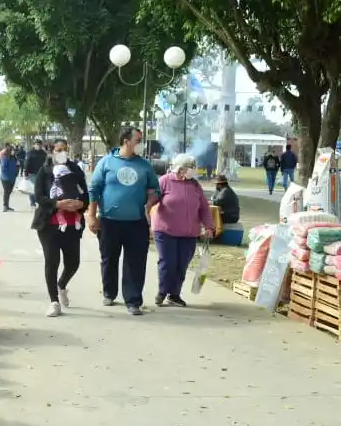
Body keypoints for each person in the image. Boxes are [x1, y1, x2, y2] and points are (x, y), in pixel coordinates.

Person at [87, 127, 159, 316]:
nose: (141, 143)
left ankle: (133, 300)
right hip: (109, 220)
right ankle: (109, 292)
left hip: (136, 221)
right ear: (126, 141)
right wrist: (92, 215)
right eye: (138, 139)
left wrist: (150, 201)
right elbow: (94, 190)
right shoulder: (107, 162)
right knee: (109, 258)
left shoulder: (144, 165)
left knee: (135, 261)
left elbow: (155, 189)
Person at [32, 139, 89, 316]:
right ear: (52, 151)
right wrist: (57, 204)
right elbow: (39, 196)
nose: (62, 152)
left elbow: (85, 194)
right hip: (49, 225)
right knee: (52, 262)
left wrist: (81, 204)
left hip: (73, 225)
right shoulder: (45, 170)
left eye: (65, 149)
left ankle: (62, 284)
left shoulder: (76, 169)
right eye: (59, 149)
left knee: (73, 262)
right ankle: (54, 301)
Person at [150, 154, 215, 307]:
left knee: (182, 264)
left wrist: (209, 226)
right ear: (180, 169)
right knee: (167, 262)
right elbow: (151, 202)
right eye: (190, 167)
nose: (193, 170)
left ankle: (174, 294)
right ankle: (162, 291)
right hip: (165, 231)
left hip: (189, 233)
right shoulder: (164, 181)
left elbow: (204, 208)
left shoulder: (195, 185)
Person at [23, 140, 47, 208]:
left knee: (40, 188)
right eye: (37, 144)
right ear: (34, 145)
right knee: (32, 188)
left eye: (39, 144)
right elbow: (26, 163)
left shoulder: (43, 153)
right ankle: (32, 202)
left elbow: (46, 163)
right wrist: (26, 173)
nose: (38, 145)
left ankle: (39, 201)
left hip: (42, 173)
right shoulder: (30, 153)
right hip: (32, 173)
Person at [0, 144, 18, 212]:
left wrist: (16, 172)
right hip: (6, 178)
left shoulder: (14, 158)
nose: (14, 151)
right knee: (6, 192)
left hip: (12, 177)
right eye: (12, 150)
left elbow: (17, 165)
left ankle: (7, 205)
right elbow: (3, 168)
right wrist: (7, 175)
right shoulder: (4, 157)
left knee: (9, 192)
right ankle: (5, 206)